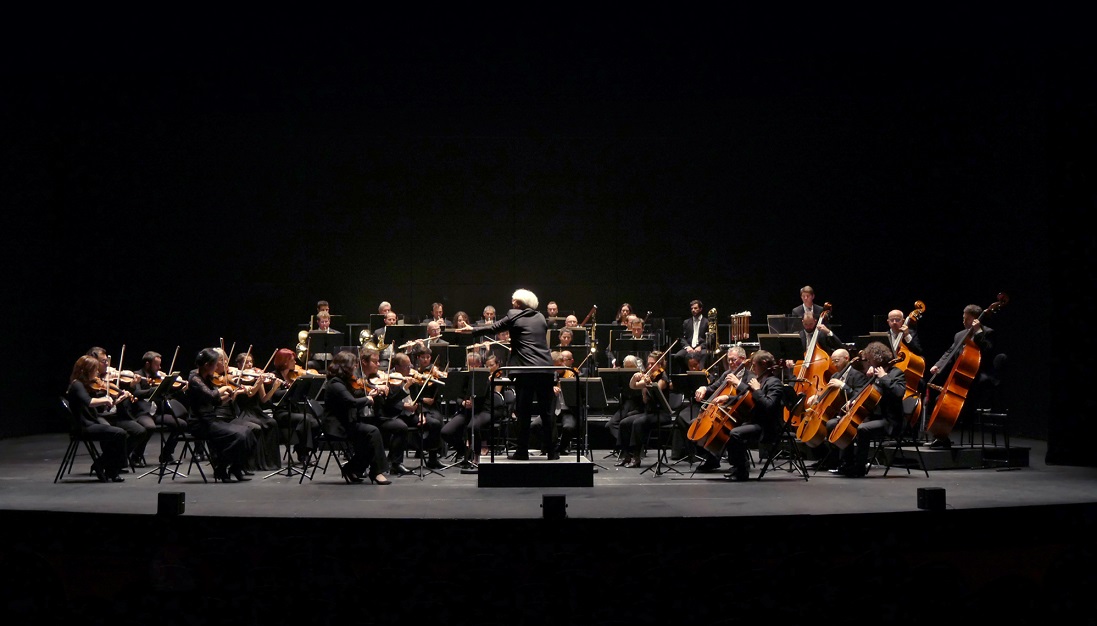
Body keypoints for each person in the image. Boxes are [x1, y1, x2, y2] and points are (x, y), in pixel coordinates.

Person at [457, 288, 557, 460]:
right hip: (546, 369)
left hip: (526, 370)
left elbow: (494, 328)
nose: (511, 303)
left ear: (518, 303)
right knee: (546, 412)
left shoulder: (513, 314)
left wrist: (472, 330)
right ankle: (552, 452)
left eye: (513, 300)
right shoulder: (541, 317)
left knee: (523, 412)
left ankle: (522, 452)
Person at [925, 303, 995, 449]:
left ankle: (942, 435)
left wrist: (979, 332)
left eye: (966, 319)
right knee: (940, 399)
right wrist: (938, 365)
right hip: (962, 379)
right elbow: (949, 352)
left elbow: (988, 351)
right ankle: (941, 436)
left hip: (979, 380)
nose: (963, 321)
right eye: (963, 318)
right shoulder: (960, 335)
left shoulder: (987, 333)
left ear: (975, 320)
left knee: (951, 403)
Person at [833, 341, 906, 477]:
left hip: (890, 421)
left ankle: (859, 468)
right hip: (874, 417)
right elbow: (868, 395)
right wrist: (854, 402)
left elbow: (899, 393)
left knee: (862, 429)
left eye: (870, 360)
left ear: (877, 358)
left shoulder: (896, 373)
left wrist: (884, 377)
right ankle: (847, 464)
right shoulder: (874, 373)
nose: (868, 363)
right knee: (841, 424)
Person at [185, 347, 257, 482]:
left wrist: (230, 396)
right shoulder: (195, 378)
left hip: (210, 420)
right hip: (199, 423)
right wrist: (224, 388)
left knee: (249, 433)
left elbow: (217, 402)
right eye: (216, 363)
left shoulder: (207, 377)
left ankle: (236, 467)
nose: (219, 366)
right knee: (239, 436)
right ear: (207, 365)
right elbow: (212, 396)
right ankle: (221, 467)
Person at [322, 350, 391, 484]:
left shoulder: (344, 382)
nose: (356, 367)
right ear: (345, 366)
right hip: (337, 426)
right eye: (353, 365)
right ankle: (377, 472)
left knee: (370, 438)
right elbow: (351, 402)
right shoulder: (335, 384)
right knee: (373, 432)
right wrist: (368, 399)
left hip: (346, 422)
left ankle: (352, 468)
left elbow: (356, 394)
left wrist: (371, 392)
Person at [721, 349, 785, 481]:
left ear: (763, 364)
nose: (752, 368)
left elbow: (769, 406)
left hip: (768, 427)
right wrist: (728, 398)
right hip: (755, 422)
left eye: (754, 365)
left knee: (736, 433)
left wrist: (757, 390)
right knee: (727, 428)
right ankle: (737, 467)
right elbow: (746, 398)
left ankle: (742, 471)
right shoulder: (760, 380)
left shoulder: (774, 382)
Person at [65, 355, 131, 482]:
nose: (97, 372)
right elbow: (89, 402)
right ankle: (106, 467)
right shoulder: (77, 385)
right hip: (84, 427)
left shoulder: (83, 384)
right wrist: (104, 399)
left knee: (117, 435)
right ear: (86, 370)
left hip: (89, 423)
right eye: (94, 369)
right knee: (120, 434)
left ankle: (105, 467)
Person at [86, 347, 150, 471]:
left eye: (107, 361)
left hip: (115, 416)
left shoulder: (109, 379)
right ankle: (111, 462)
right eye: (103, 361)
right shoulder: (88, 381)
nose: (107, 365)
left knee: (140, 431)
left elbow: (117, 396)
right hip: (99, 417)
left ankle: (116, 460)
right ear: (93, 361)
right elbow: (95, 404)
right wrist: (113, 398)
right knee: (115, 434)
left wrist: (129, 390)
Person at [691, 346, 754, 472]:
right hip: (725, 413)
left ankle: (735, 461)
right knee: (701, 424)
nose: (730, 363)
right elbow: (714, 388)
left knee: (724, 430)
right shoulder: (727, 374)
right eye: (728, 360)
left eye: (733, 360)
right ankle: (712, 458)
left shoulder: (750, 376)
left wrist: (728, 396)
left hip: (742, 414)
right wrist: (703, 388)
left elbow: (749, 396)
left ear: (743, 359)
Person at [805, 348, 869, 470]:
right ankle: (827, 460)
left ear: (846, 358)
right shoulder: (835, 375)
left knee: (831, 424)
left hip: (853, 414)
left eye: (836, 361)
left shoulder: (858, 376)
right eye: (832, 361)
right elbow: (828, 396)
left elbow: (859, 397)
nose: (834, 364)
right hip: (837, 413)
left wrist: (843, 386)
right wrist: (817, 397)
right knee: (814, 426)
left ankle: (843, 461)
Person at [128, 350, 188, 465]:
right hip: (142, 413)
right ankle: (136, 455)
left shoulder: (158, 378)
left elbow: (168, 396)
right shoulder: (137, 375)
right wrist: (154, 389)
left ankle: (166, 454)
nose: (159, 367)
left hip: (157, 413)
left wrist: (180, 390)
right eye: (156, 365)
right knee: (149, 427)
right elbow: (136, 393)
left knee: (181, 424)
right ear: (147, 364)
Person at [616, 351, 671, 468]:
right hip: (649, 412)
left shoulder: (663, 378)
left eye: (653, 364)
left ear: (660, 364)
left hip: (661, 413)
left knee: (638, 423)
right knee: (624, 422)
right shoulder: (649, 376)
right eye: (649, 363)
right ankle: (626, 455)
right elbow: (633, 386)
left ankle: (636, 457)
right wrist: (634, 378)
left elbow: (657, 389)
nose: (649, 366)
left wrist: (648, 383)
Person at [232, 352, 282, 471]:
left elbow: (264, 399)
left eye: (251, 362)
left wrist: (274, 388)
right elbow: (250, 394)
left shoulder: (256, 377)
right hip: (243, 412)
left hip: (256, 411)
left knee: (272, 423)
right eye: (246, 362)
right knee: (258, 427)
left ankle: (270, 461)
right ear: (239, 365)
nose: (249, 364)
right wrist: (257, 383)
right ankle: (256, 462)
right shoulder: (236, 379)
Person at [268, 347, 318, 466]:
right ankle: (303, 453)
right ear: (284, 361)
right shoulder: (274, 376)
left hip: (293, 410)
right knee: (305, 419)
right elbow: (274, 396)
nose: (295, 363)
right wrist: (291, 388)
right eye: (292, 360)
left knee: (316, 422)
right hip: (281, 413)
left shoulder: (292, 375)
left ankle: (303, 448)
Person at [674, 299, 710, 374]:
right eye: (692, 308)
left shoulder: (707, 322)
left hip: (701, 347)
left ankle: (701, 374)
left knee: (704, 354)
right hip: (689, 347)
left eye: (695, 308)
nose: (693, 310)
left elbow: (710, 338)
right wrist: (687, 347)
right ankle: (686, 373)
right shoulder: (686, 322)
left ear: (700, 309)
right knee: (678, 356)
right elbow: (682, 337)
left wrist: (701, 346)